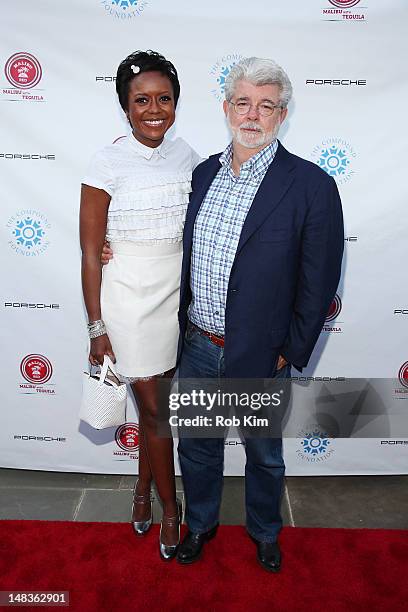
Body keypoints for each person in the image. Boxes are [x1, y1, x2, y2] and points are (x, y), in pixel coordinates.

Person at [175, 57, 344, 571]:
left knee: (264, 455)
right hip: (198, 345)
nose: (253, 115)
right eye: (243, 102)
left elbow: (318, 285)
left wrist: (287, 352)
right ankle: (199, 523)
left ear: (282, 114)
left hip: (263, 353)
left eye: (266, 106)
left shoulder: (312, 186)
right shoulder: (203, 173)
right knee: (198, 448)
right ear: (227, 107)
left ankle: (265, 531)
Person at [80, 50, 200, 561]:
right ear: (125, 107)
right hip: (127, 297)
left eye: (164, 99)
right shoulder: (105, 161)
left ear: (176, 103)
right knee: (154, 410)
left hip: (176, 296)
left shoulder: (188, 156)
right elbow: (90, 249)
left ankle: (141, 491)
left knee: (159, 411)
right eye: (141, 101)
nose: (154, 109)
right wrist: (96, 328)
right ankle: (171, 512)